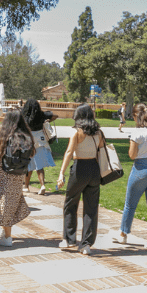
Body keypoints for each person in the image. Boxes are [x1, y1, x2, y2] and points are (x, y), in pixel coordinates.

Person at [116, 103, 147, 251]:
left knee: (130, 204)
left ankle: (123, 234)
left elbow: (132, 155)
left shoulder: (137, 132)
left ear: (136, 116)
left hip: (141, 168)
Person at [56, 104, 102, 255]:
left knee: (70, 203)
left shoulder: (77, 132)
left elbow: (69, 152)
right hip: (94, 169)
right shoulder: (99, 133)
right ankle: (86, 244)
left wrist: (61, 173)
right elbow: (101, 150)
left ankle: (69, 239)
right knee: (91, 208)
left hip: (80, 168)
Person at [0, 109, 34, 247]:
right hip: (19, 174)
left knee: (4, 203)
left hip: (4, 173)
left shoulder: (3, 134)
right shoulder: (27, 135)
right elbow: (32, 154)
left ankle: (7, 236)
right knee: (12, 201)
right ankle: (6, 232)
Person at [21, 99, 56, 194]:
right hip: (40, 140)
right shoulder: (41, 115)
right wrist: (47, 119)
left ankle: (26, 186)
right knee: (39, 165)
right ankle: (42, 185)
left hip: (28, 140)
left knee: (28, 164)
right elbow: (54, 115)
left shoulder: (23, 116)